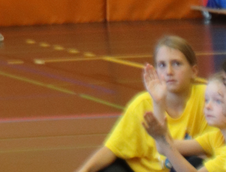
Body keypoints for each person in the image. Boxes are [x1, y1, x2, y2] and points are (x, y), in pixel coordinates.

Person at [75, 36, 209, 172]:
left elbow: (213, 151)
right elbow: (111, 149)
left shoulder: (208, 99)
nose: (169, 72)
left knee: (199, 162)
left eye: (176, 64)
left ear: (194, 71)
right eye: (162, 65)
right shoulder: (141, 104)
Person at [142, 71, 226, 172]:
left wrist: (163, 141)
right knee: (190, 161)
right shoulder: (216, 138)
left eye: (218, 101)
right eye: (207, 100)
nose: (208, 106)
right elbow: (165, 147)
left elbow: (166, 145)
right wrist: (159, 103)